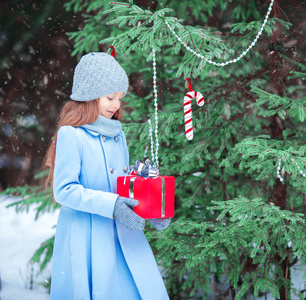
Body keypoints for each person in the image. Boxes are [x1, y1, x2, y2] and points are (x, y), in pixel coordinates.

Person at [44, 52, 170, 299]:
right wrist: (111, 205)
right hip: (88, 236)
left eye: (120, 98)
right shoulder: (72, 134)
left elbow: (122, 184)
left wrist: (151, 205)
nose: (116, 105)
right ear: (89, 96)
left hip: (122, 232)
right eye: (110, 97)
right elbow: (64, 190)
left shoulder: (117, 134)